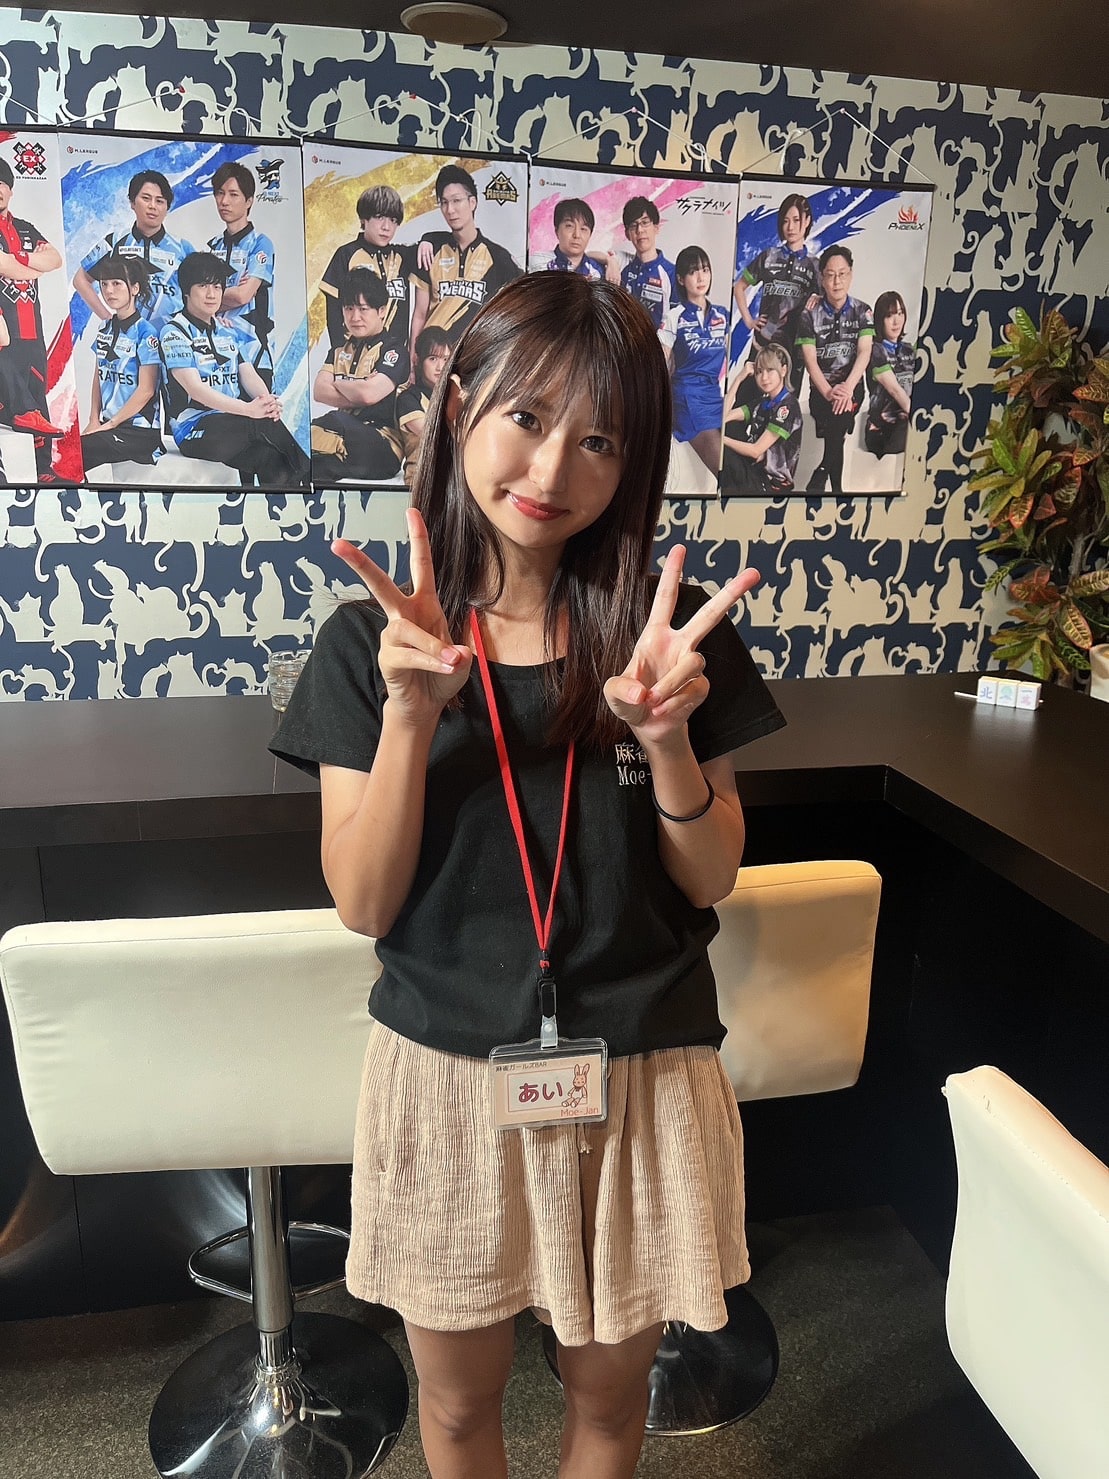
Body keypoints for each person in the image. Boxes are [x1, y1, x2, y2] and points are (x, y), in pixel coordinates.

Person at [269, 272, 785, 1479]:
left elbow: (709, 876)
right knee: (457, 1412)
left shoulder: (666, 643)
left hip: (640, 1067)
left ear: (632, 461)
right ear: (458, 407)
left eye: (598, 440)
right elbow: (363, 901)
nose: (552, 469)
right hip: (446, 1073)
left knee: (607, 1407)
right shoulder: (369, 644)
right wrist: (410, 714)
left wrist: (664, 739)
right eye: (526, 416)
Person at [160, 251, 309, 488]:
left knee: (272, 461)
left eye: (217, 287)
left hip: (233, 424)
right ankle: (310, 478)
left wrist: (266, 402)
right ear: (186, 290)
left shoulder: (227, 330)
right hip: (194, 429)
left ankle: (287, 502)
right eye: (203, 286)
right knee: (259, 424)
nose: (212, 294)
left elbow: (248, 374)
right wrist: (249, 410)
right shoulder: (174, 332)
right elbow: (195, 389)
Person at [311, 267, 408, 486]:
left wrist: (337, 382)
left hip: (382, 447)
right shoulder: (338, 350)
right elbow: (319, 391)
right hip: (344, 441)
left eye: (363, 309)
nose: (355, 317)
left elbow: (369, 395)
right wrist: (359, 386)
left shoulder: (394, 350)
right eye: (349, 308)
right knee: (311, 467)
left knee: (335, 420)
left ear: (381, 310)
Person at [0, 157, 65, 482]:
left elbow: (54, 259)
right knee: (16, 402)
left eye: (2, 183)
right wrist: (29, 267)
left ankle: (43, 470)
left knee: (38, 395)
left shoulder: (25, 227)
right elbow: (7, 267)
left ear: (11, 190)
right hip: (4, 327)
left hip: (31, 327)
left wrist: (19, 258)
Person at [410, 164, 522, 345]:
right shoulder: (431, 250)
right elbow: (419, 314)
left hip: (473, 355)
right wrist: (414, 357)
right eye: (444, 202)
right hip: (432, 356)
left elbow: (515, 310)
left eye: (456, 200)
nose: (450, 210)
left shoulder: (498, 257)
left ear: (472, 202)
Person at [74, 169, 194, 332]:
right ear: (132, 202)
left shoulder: (183, 248)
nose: (152, 206)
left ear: (167, 207)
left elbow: (201, 292)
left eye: (159, 201)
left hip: (171, 338)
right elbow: (80, 280)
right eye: (146, 198)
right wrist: (108, 318)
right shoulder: (114, 242)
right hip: (127, 340)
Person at [796, 244, 873, 493]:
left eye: (842, 274)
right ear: (822, 278)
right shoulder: (809, 314)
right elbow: (810, 361)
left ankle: (822, 474)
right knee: (837, 421)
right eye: (830, 275)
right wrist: (830, 392)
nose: (836, 281)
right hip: (821, 392)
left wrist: (847, 388)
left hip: (853, 389)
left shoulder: (863, 311)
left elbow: (864, 352)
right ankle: (837, 490)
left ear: (851, 274)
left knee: (839, 415)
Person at [732, 192, 819, 405]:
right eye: (786, 221)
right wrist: (749, 320)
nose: (790, 227)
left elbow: (825, 305)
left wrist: (817, 298)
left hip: (793, 350)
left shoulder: (815, 265)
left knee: (785, 409)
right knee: (744, 402)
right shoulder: (769, 256)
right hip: (763, 344)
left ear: (807, 221)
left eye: (796, 220)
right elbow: (739, 287)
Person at [79, 254, 163, 471]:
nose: (109, 291)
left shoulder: (146, 332)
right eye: (104, 284)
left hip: (139, 431)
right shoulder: (104, 328)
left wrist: (110, 424)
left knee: (79, 452)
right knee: (66, 452)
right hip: (108, 426)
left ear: (134, 288)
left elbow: (146, 390)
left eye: (116, 283)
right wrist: (94, 420)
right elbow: (99, 376)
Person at [320, 183, 418, 348]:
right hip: (355, 353)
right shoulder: (346, 254)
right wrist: (339, 353)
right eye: (379, 217)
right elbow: (334, 314)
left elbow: (443, 242)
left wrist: (428, 241)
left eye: (393, 220)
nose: (386, 227)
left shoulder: (402, 256)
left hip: (394, 356)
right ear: (363, 219)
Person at [205, 162, 276, 388]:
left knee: (262, 409)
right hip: (219, 354)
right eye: (220, 193)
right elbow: (198, 301)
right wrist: (230, 293)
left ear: (249, 201)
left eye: (233, 194)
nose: (224, 201)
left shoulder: (260, 244)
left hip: (254, 350)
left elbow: (243, 296)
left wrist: (215, 298)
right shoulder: (213, 246)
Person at [660, 244, 729, 474]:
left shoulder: (723, 315)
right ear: (680, 279)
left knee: (741, 458)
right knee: (724, 470)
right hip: (687, 398)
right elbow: (660, 365)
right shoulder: (674, 317)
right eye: (693, 272)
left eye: (705, 270)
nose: (701, 277)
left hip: (715, 397)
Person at [719, 342, 803, 496]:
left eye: (770, 370)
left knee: (723, 446)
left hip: (772, 486)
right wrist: (739, 378)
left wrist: (721, 440)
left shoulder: (788, 406)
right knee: (722, 429)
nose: (764, 377)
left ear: (783, 370)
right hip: (754, 474)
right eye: (759, 372)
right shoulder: (762, 403)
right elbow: (723, 417)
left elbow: (755, 450)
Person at [396, 324, 452, 487]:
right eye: (433, 358)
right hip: (421, 481)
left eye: (445, 359)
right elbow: (433, 433)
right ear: (418, 360)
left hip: (455, 482)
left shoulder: (453, 396)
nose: (440, 367)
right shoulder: (408, 398)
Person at [865, 290, 914, 459]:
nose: (896, 321)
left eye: (900, 313)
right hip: (882, 430)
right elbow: (894, 390)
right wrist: (919, 418)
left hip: (905, 421)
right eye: (889, 315)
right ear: (880, 320)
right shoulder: (875, 350)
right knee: (909, 430)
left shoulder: (910, 350)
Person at [617, 195, 678, 330]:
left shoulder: (672, 274)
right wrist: (609, 262)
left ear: (656, 227)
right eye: (634, 225)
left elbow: (677, 323)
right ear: (627, 234)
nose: (639, 230)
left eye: (645, 223)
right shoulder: (621, 265)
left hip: (656, 342)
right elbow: (588, 255)